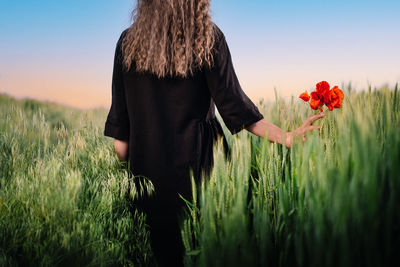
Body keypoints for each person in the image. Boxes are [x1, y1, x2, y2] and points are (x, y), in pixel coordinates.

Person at [104, 1, 324, 266]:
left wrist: (123, 182)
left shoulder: (128, 43)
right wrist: (286, 137)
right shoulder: (207, 37)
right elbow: (235, 107)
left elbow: (121, 135)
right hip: (200, 176)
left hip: (146, 179)